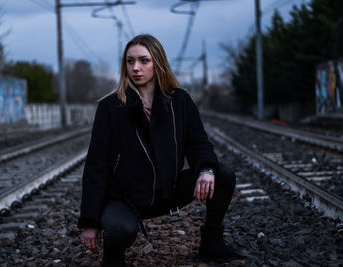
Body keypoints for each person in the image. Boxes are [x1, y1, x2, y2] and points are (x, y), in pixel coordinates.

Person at [77, 34, 245, 266]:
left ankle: (212, 243)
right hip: (125, 198)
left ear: (158, 63)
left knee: (222, 174)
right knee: (121, 229)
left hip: (168, 190)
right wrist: (90, 222)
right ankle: (113, 258)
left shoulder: (180, 101)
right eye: (130, 61)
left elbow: (199, 144)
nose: (136, 68)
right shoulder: (111, 107)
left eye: (144, 60)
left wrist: (206, 169)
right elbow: (97, 165)